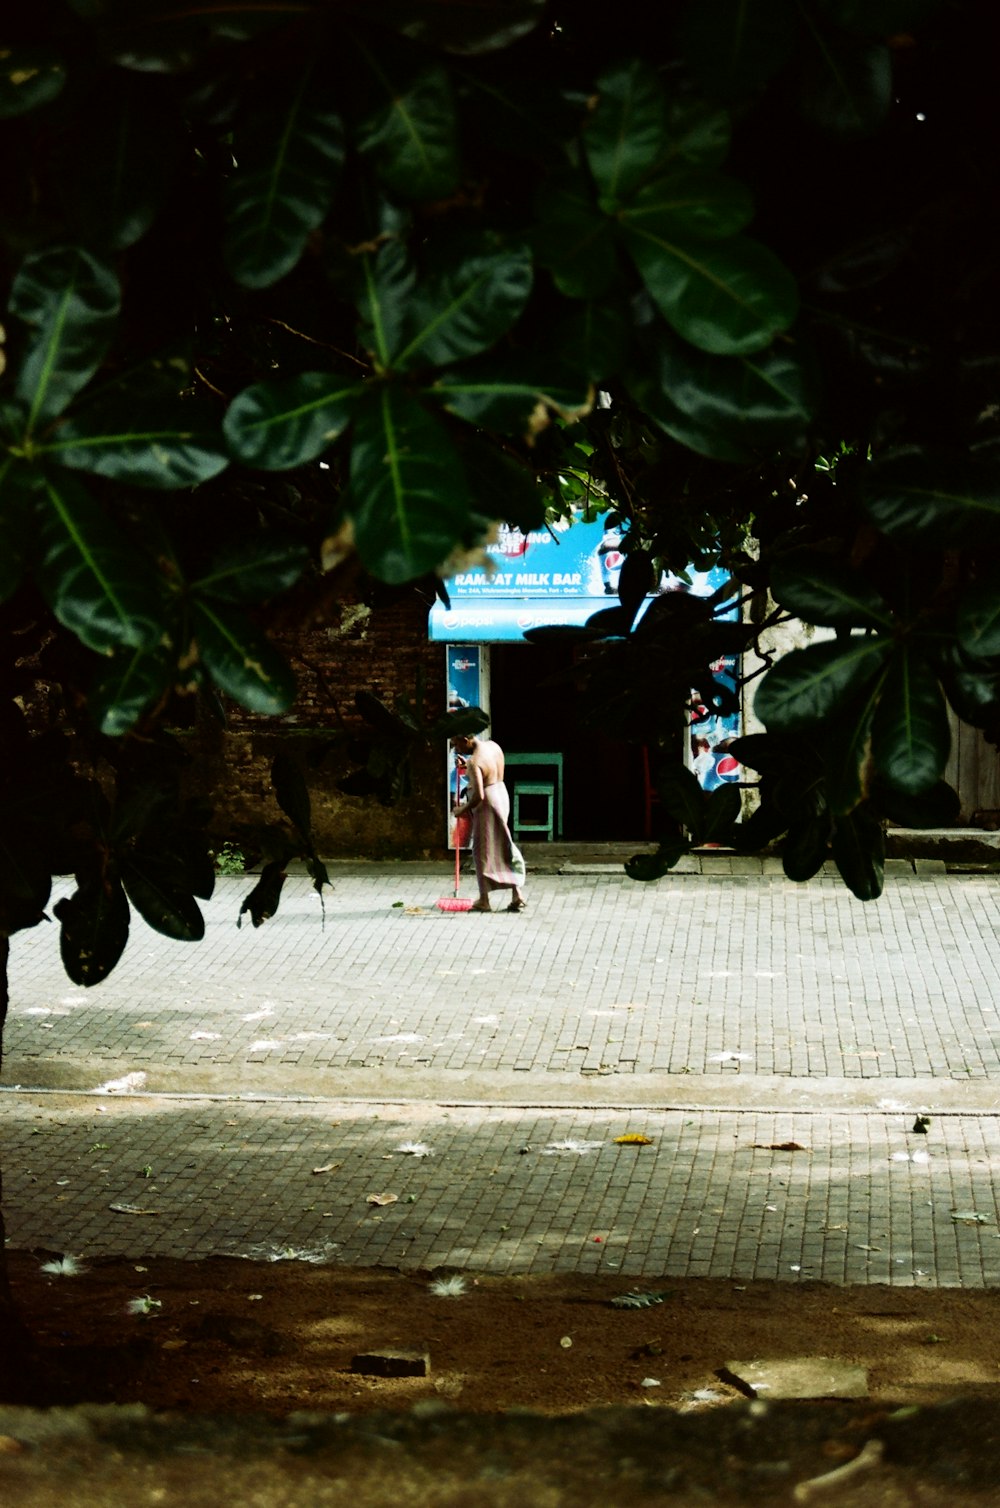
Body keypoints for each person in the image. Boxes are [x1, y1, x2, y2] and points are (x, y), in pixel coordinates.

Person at [449, 734, 527, 913]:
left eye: (457, 744)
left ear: (466, 739)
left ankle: (484, 899)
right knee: (503, 843)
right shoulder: (493, 746)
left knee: (481, 851)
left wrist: (462, 809)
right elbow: (489, 772)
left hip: (487, 804)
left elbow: (478, 796)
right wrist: (467, 767)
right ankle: (517, 894)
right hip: (501, 793)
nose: (456, 749)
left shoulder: (475, 761)